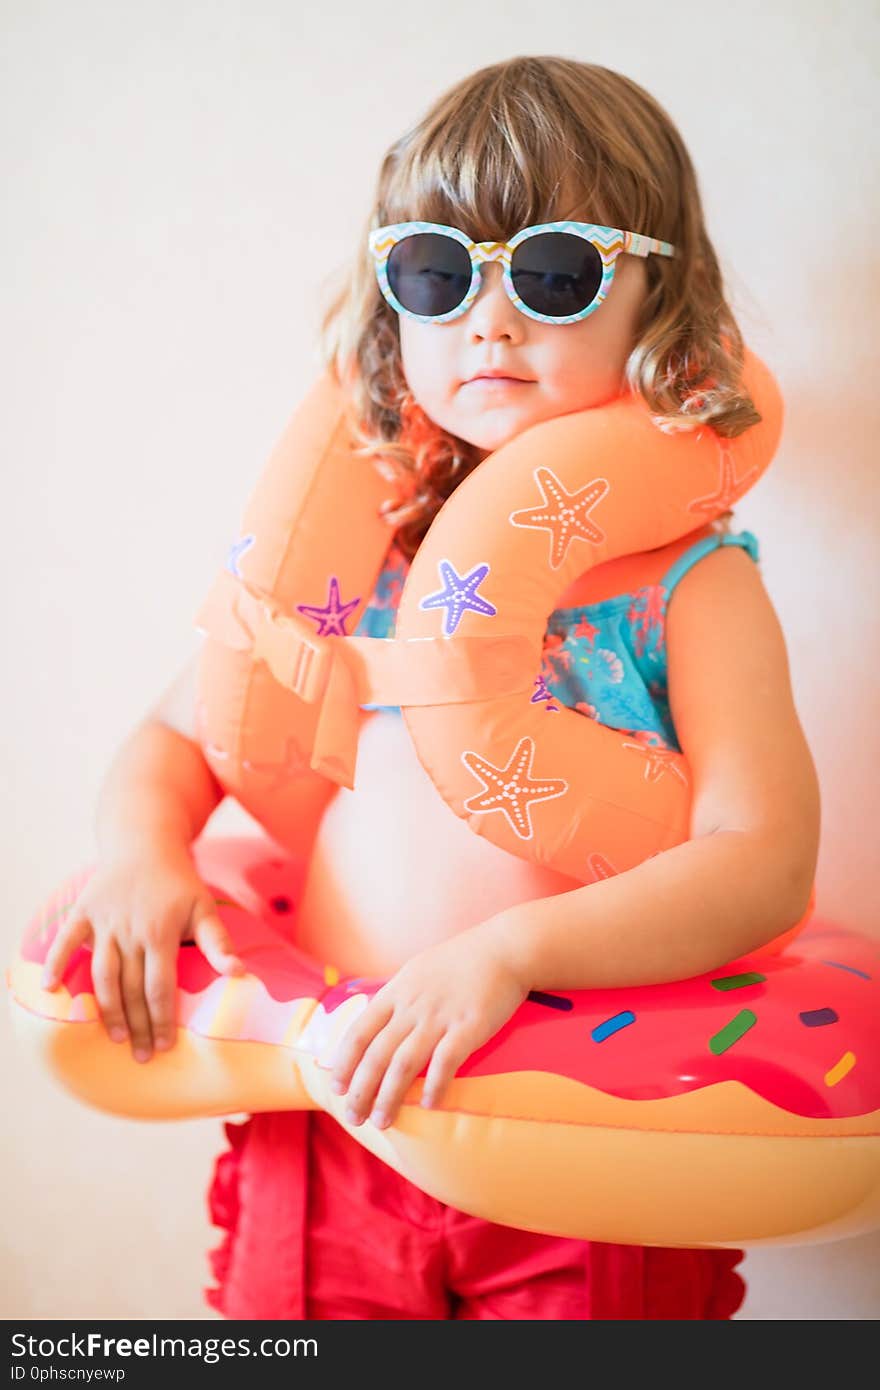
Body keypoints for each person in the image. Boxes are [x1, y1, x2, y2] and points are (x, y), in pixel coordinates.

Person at [41, 56, 820, 1319]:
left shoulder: (690, 585)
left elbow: (762, 856)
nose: (488, 320)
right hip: (329, 1121)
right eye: (435, 271)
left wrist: (511, 955)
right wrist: (140, 851)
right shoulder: (368, 565)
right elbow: (170, 736)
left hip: (575, 1144)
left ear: (658, 305)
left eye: (556, 273)